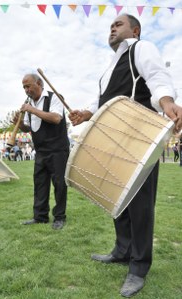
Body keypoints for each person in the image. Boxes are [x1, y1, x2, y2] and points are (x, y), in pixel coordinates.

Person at [69, 14, 182, 297]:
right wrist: (87, 114)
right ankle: (121, 250)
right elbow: (104, 103)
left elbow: (157, 76)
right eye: (110, 25)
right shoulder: (107, 68)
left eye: (118, 24)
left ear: (135, 29)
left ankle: (139, 267)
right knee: (116, 197)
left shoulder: (140, 48)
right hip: (112, 139)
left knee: (140, 205)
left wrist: (167, 101)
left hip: (138, 138)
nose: (112, 28)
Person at [14, 73, 70, 229]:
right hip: (41, 151)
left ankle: (59, 217)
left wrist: (32, 110)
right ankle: (40, 216)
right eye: (24, 87)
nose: (26, 90)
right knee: (40, 184)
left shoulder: (55, 97)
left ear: (39, 83)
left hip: (58, 150)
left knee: (59, 184)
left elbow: (55, 119)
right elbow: (29, 127)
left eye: (28, 86)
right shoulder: (30, 103)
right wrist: (19, 125)